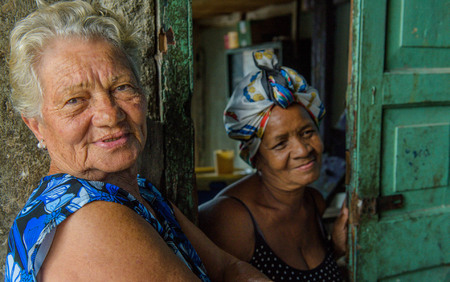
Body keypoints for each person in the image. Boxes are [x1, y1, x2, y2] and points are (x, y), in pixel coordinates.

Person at [4, 1, 270, 281]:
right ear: (36, 126)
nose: (110, 114)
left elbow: (231, 269)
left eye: (122, 87)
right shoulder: (89, 219)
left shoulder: (139, 192)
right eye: (75, 101)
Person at [199, 50, 348, 281]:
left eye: (307, 132)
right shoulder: (231, 221)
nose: (303, 150)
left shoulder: (313, 203)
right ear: (254, 157)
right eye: (280, 143)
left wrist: (335, 249)